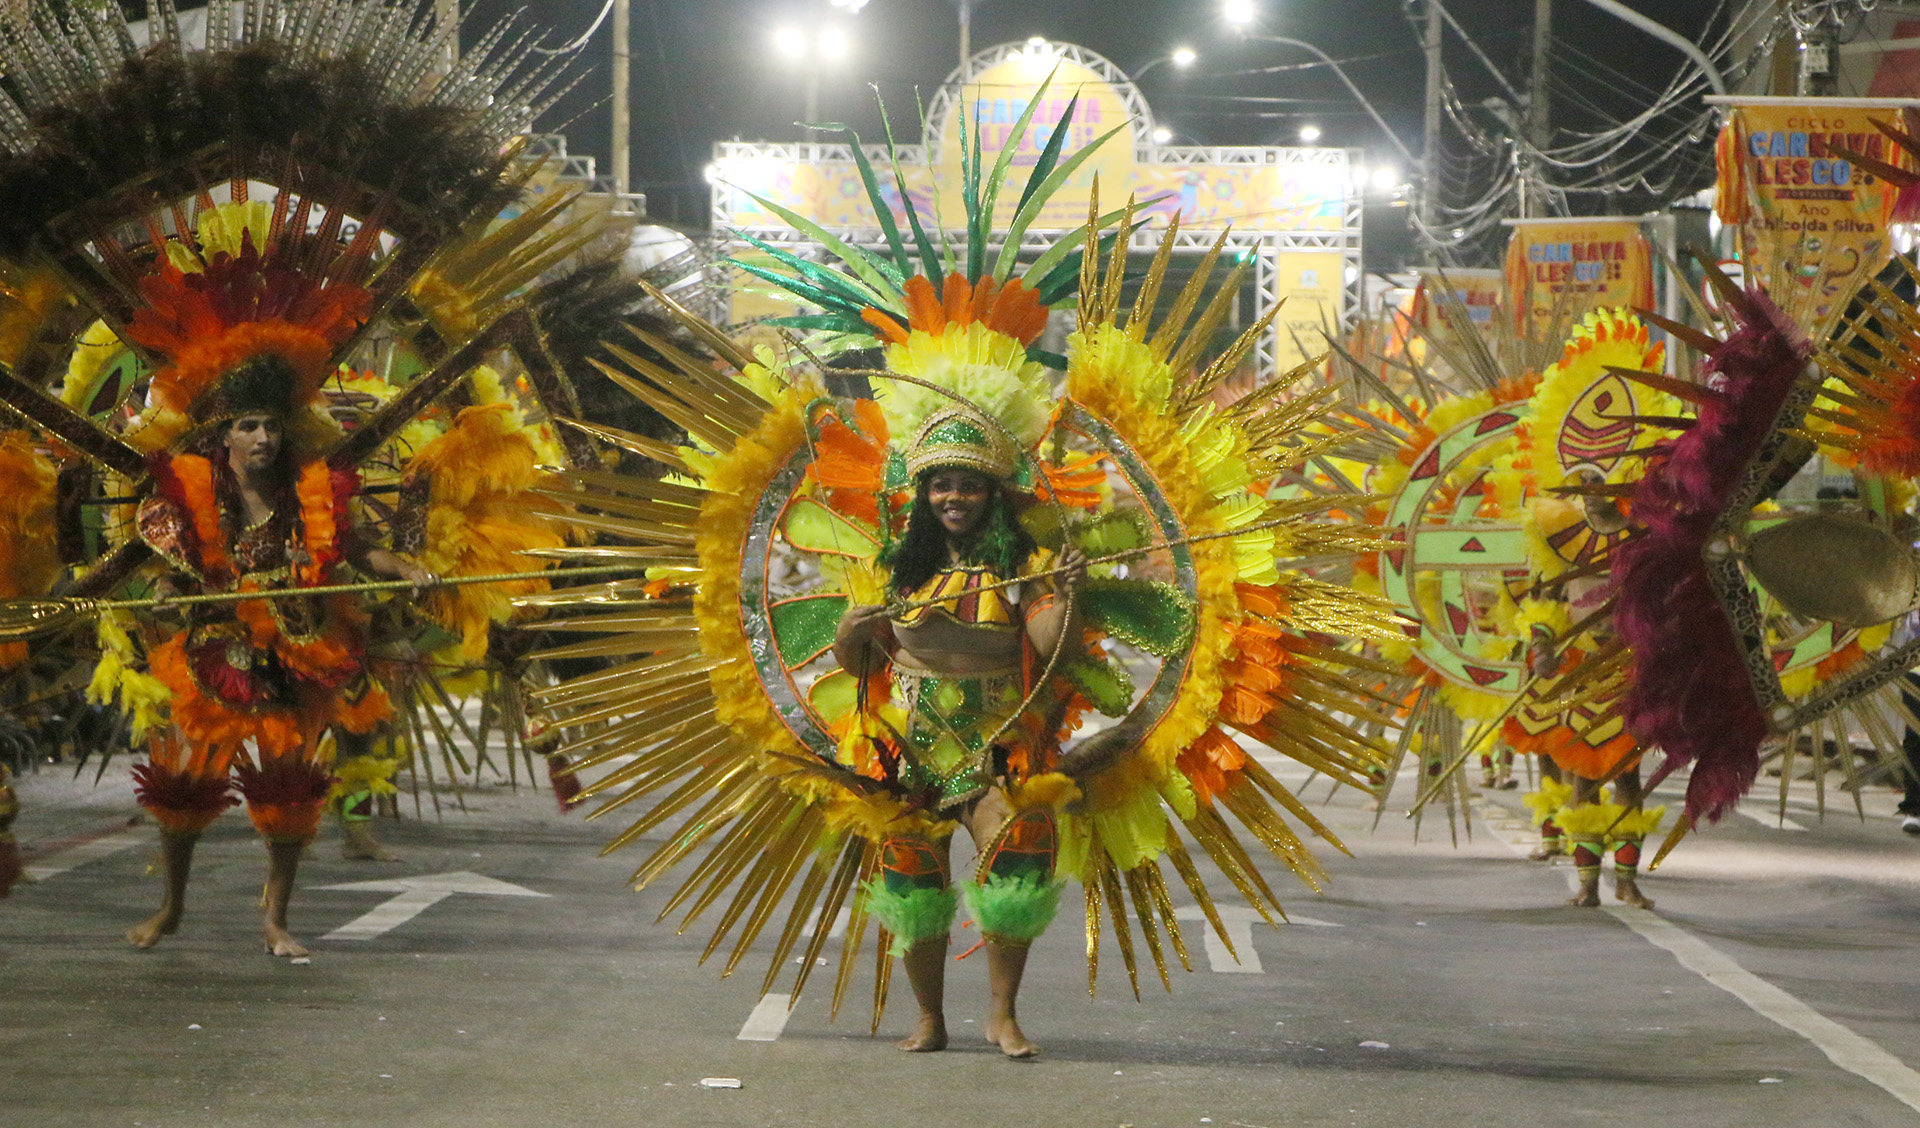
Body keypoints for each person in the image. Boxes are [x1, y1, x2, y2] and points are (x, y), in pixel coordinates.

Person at [127, 359, 433, 958]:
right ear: (224, 437)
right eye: (248, 426)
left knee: (290, 791)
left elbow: (357, 548)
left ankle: (276, 921)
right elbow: (173, 574)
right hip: (214, 655)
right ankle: (171, 907)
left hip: (294, 651)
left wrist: (408, 568)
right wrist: (166, 599)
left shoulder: (307, 489)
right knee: (183, 783)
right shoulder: (192, 494)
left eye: (270, 425)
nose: (263, 437)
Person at [832, 408, 1086, 1058]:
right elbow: (861, 665)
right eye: (941, 485)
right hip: (908, 752)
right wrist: (849, 632)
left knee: (1020, 859)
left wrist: (1067, 597)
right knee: (910, 879)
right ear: (924, 493)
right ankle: (928, 1018)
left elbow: (1051, 647)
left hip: (997, 747)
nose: (954, 498)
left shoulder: (1024, 563)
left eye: (968, 486)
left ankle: (1002, 1015)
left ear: (992, 493)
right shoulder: (898, 565)